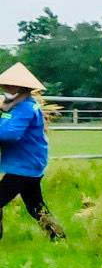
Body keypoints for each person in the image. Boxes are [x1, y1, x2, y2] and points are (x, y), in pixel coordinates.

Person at [0, 63, 64, 241]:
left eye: (8, 86)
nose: (5, 89)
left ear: (20, 88)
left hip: (24, 164)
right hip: (27, 163)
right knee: (35, 205)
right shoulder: (15, 106)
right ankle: (58, 237)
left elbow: (10, 134)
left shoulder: (25, 109)